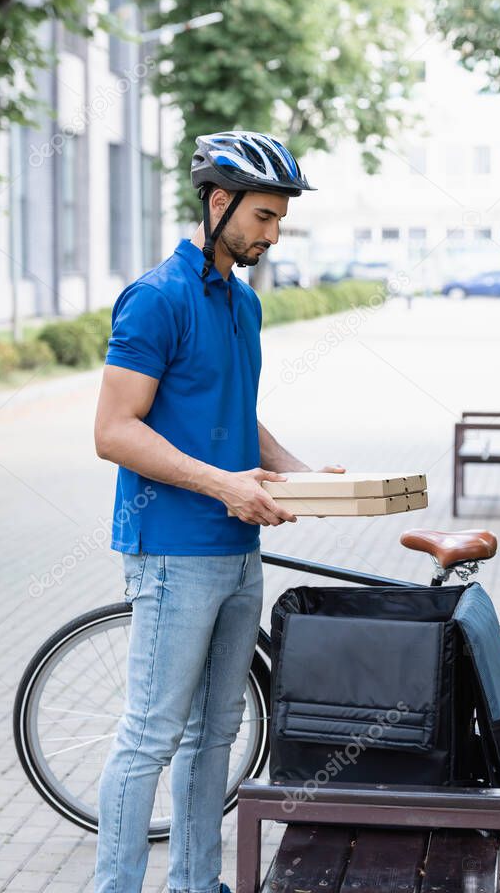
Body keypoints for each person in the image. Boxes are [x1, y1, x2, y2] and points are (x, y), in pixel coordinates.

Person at [93, 130, 346, 893]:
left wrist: (297, 474)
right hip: (173, 550)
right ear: (218, 200)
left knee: (219, 736)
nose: (272, 233)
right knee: (150, 737)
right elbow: (114, 432)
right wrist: (224, 485)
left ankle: (198, 883)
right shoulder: (156, 298)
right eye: (263, 217)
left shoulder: (242, 303)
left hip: (238, 551)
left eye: (278, 221)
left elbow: (234, 414)